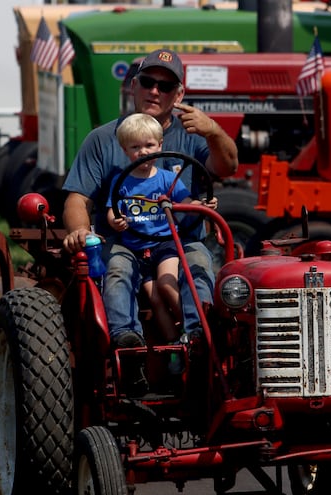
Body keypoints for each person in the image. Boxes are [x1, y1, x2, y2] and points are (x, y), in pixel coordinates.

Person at [62, 48, 238, 349]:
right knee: (116, 268)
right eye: (147, 82)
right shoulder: (103, 139)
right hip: (122, 242)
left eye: (166, 86)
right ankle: (126, 343)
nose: (155, 91)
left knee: (198, 261)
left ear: (179, 95)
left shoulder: (193, 136)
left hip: (178, 241)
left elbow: (228, 166)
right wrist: (80, 231)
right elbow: (78, 200)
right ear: (134, 86)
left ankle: (201, 338)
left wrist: (214, 132)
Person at [107, 113, 218, 343]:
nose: (143, 152)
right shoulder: (122, 181)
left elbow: (186, 204)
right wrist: (115, 221)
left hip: (164, 243)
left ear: (160, 145)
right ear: (124, 150)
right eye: (135, 147)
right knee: (155, 298)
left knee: (167, 284)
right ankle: (172, 345)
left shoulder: (168, 179)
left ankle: (195, 331)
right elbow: (112, 210)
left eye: (149, 145)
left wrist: (203, 205)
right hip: (137, 249)